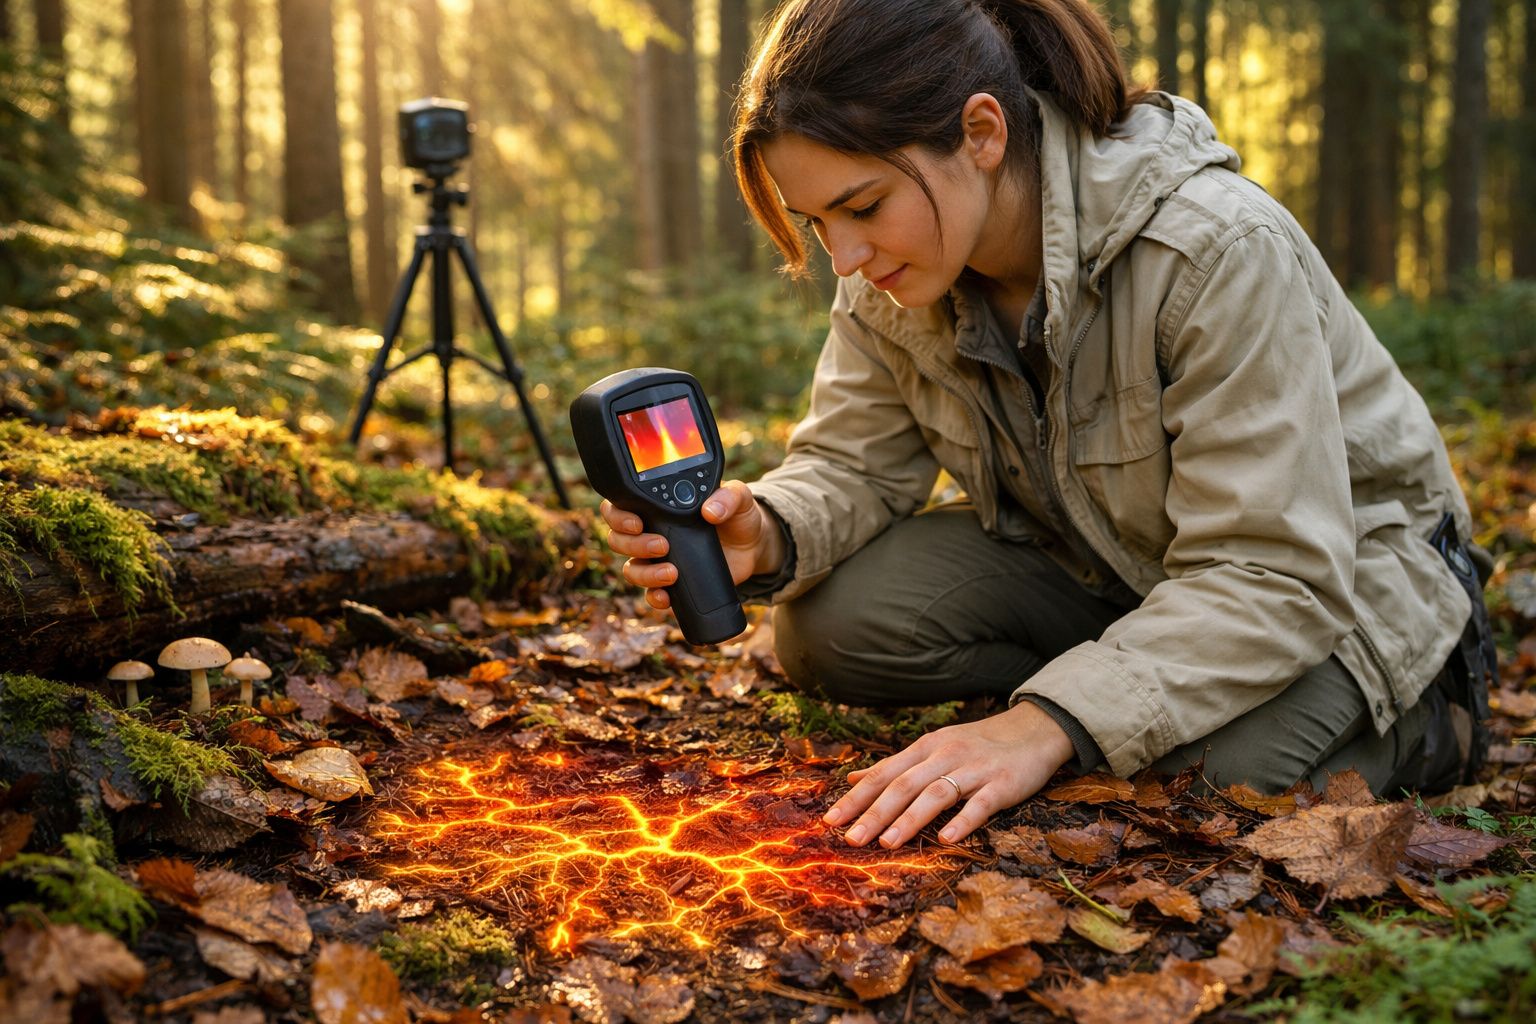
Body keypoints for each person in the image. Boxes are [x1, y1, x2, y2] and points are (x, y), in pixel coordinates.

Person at [599, 0, 1495, 851]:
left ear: (981, 133)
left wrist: (1040, 725)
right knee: (830, 626)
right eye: (816, 221)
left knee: (1201, 778)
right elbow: (854, 463)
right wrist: (769, 528)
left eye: (863, 206)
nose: (845, 256)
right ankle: (1121, 685)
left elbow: (1272, 569)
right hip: (1123, 569)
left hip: (1350, 593)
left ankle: (1428, 724)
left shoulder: (1214, 249)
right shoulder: (892, 277)